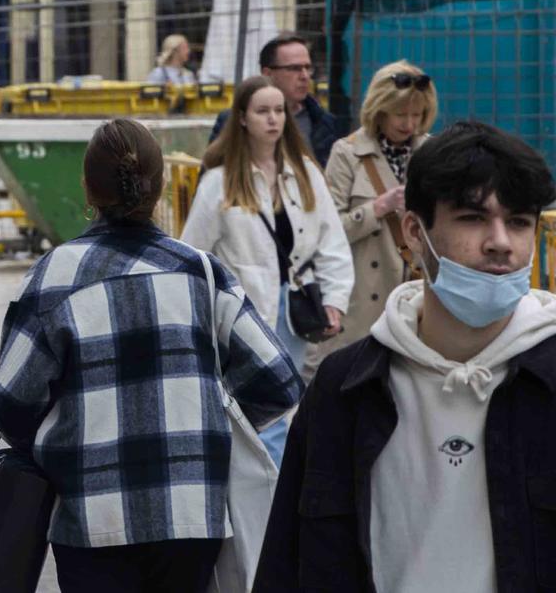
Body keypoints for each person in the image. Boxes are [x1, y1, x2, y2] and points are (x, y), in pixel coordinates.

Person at [0, 119, 299, 592]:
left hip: (90, 514)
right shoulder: (200, 272)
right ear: (159, 188)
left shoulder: (53, 277)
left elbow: (11, 403)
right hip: (191, 511)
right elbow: (279, 381)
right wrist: (204, 424)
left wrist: (65, 440)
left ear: (87, 189)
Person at [255, 121, 556, 593]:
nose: (501, 241)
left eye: (518, 221)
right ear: (415, 231)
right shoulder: (345, 389)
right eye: (473, 218)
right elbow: (288, 562)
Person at [183, 74, 353, 463]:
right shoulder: (219, 182)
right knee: (251, 413)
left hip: (294, 311)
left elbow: (332, 243)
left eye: (279, 111)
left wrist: (335, 300)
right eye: (263, 111)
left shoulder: (306, 175)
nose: (273, 119)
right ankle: (261, 500)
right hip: (239, 315)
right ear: (241, 118)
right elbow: (194, 255)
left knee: (283, 408)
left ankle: (272, 500)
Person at [310, 60, 438, 372]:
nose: (409, 123)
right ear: (380, 110)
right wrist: (377, 208)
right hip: (362, 299)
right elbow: (327, 231)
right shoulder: (346, 152)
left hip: (418, 293)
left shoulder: (433, 150)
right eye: (400, 114)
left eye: (417, 114)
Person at [208, 32, 344, 164]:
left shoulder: (325, 123)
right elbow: (211, 173)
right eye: (295, 68)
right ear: (268, 73)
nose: (305, 76)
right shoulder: (232, 121)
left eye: (307, 67)